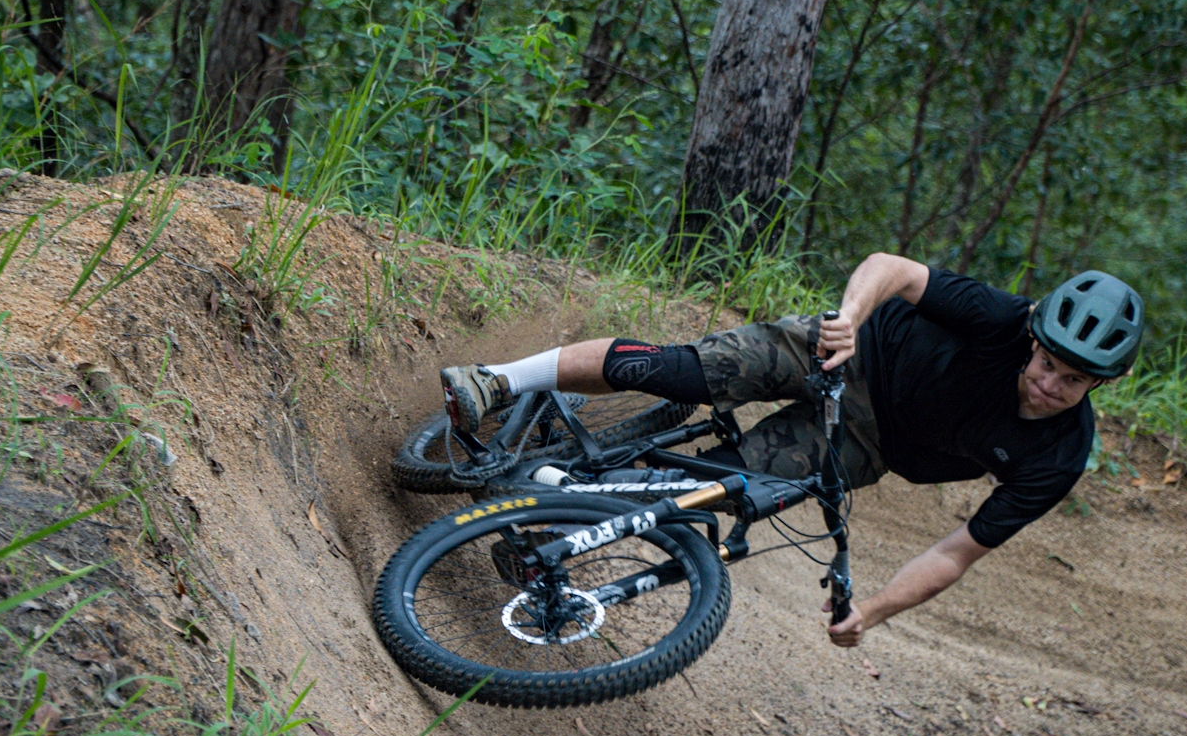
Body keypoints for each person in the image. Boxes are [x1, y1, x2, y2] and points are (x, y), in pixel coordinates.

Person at [438, 254, 1143, 648]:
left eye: (1072, 378)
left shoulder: (1056, 457)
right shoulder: (1004, 320)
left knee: (707, 492)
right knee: (683, 370)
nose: (1049, 381)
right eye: (1046, 361)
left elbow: (956, 551)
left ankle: (558, 511)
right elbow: (893, 268)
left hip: (863, 442)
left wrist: (874, 610)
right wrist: (847, 318)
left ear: (1101, 382)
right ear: (1036, 336)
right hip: (846, 354)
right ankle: (497, 380)